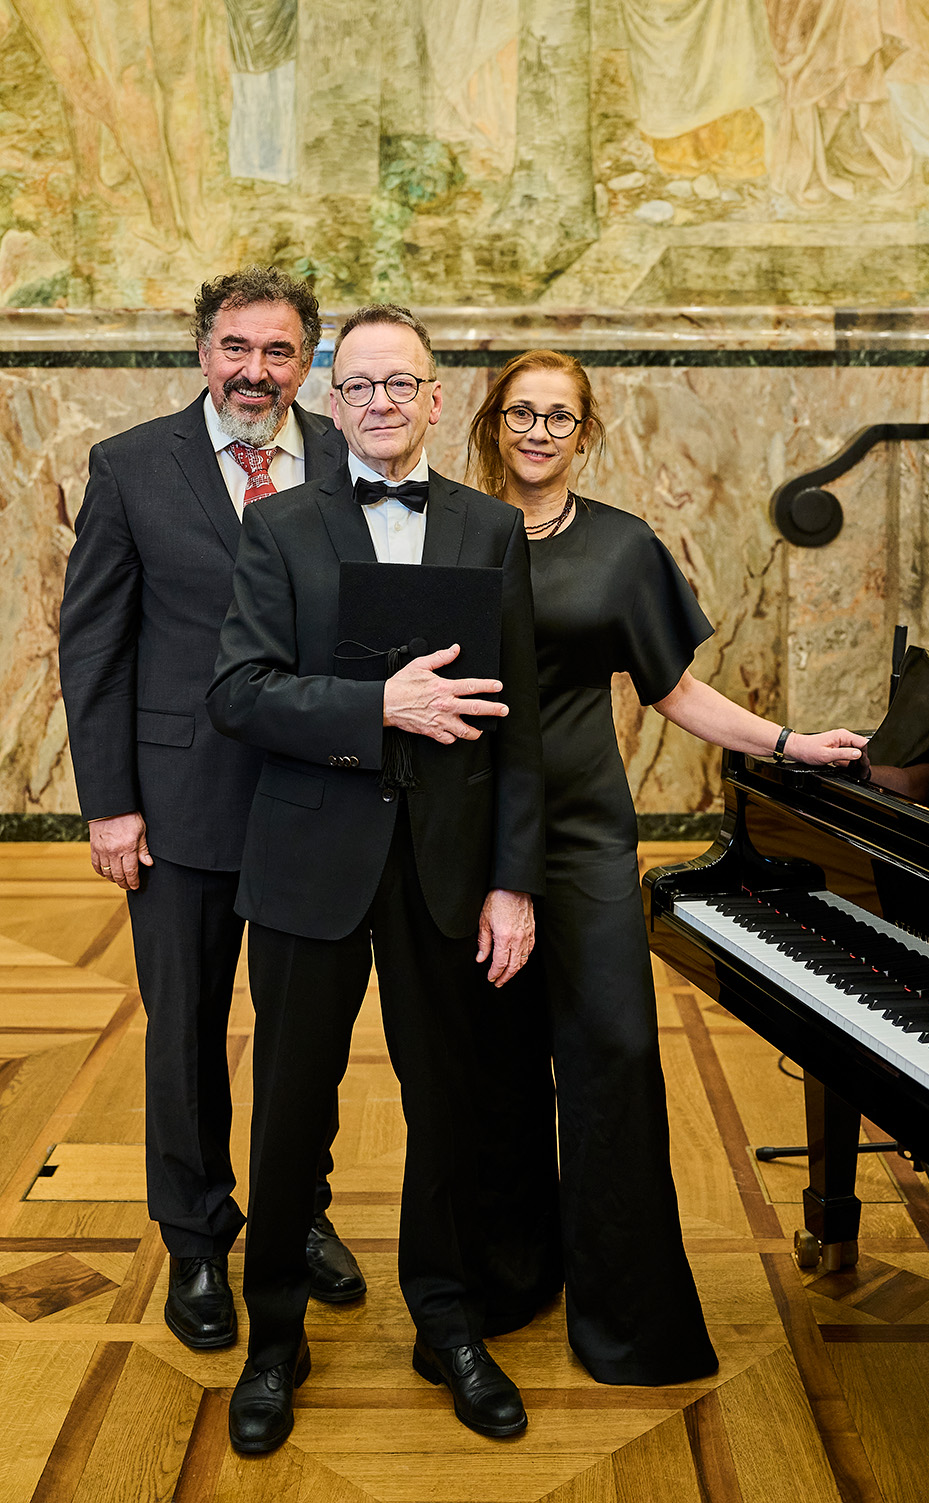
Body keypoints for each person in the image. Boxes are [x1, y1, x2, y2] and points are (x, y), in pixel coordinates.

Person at [465, 349, 868, 1385]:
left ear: (586, 433)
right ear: (493, 425)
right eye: (522, 412)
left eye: (561, 415)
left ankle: (628, 1318)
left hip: (588, 833)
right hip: (470, 835)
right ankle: (506, 1287)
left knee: (611, 1060)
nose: (540, 430)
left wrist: (786, 743)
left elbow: (673, 690)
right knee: (495, 1073)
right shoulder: (450, 538)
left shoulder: (622, 547)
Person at [206, 302, 546, 1453]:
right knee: (291, 1109)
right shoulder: (281, 524)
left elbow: (520, 732)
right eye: (359, 386)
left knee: (445, 1104)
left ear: (437, 399)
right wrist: (374, 707)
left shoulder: (492, 528)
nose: (382, 405)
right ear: (330, 399)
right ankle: (273, 1340)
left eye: (403, 385)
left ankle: (446, 1320)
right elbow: (238, 693)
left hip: (447, 869)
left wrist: (512, 880)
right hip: (309, 860)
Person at [58, 266, 365, 1358]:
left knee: (301, 1041)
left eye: (279, 351)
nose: (254, 370)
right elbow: (93, 646)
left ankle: (296, 1213)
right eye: (236, 347)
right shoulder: (133, 467)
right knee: (185, 1033)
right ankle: (195, 1239)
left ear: (307, 363)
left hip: (313, 800)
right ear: (201, 351)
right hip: (177, 805)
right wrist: (108, 806)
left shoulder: (344, 459)